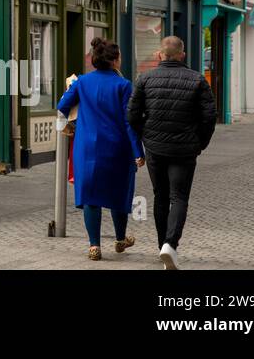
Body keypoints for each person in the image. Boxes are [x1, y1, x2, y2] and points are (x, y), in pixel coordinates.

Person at [127, 35, 217, 270]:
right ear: (182, 55)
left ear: (160, 55)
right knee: (179, 196)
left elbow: (132, 115)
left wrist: (146, 135)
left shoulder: (145, 79)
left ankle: (162, 247)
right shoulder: (197, 80)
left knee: (161, 196)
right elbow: (209, 116)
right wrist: (200, 143)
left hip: (156, 147)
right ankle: (170, 244)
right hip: (185, 149)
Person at [56, 38, 143, 261]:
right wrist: (138, 152)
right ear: (115, 61)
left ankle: (94, 246)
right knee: (119, 193)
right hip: (117, 148)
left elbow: (62, 105)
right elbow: (128, 121)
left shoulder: (82, 82)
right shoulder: (123, 85)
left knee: (90, 197)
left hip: (86, 148)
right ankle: (120, 239)